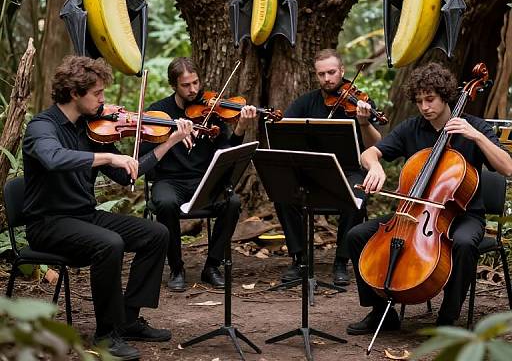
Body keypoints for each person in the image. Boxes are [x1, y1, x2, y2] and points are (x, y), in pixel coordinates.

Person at [22, 56, 194, 361]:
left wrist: (171, 140)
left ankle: (127, 320)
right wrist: (108, 158)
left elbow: (130, 171)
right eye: (98, 93)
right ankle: (105, 335)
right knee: (109, 244)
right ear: (75, 93)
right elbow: (53, 159)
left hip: (84, 216)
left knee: (156, 233)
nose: (104, 100)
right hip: (48, 223)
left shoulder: (92, 128)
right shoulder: (42, 127)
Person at [346, 62, 512, 335]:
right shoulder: (412, 127)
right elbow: (370, 153)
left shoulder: (474, 127)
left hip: (463, 214)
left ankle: (448, 319)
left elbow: (507, 167)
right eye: (420, 101)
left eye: (430, 99)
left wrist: (477, 137)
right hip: (414, 212)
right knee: (357, 235)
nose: (424, 107)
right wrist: (374, 165)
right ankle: (380, 312)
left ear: (445, 95)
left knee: (463, 243)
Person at [140, 57, 257, 292]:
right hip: (169, 181)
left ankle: (211, 266)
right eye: (186, 85)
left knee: (232, 202)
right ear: (174, 85)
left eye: (195, 83)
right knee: (164, 202)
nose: (193, 90)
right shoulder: (159, 112)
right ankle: (176, 267)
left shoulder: (212, 111)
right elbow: (146, 160)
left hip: (204, 180)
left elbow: (226, 153)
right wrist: (172, 138)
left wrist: (241, 128)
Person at [275, 48, 382, 286]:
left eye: (332, 72)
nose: (327, 79)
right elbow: (284, 130)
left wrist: (364, 123)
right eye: (322, 74)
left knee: (357, 195)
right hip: (313, 172)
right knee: (282, 194)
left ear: (342, 71)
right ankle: (299, 258)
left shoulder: (360, 102)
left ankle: (341, 261)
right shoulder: (306, 102)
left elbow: (377, 146)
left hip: (349, 171)